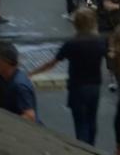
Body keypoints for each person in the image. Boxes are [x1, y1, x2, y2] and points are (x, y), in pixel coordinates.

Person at [30, 8, 105, 145]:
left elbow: (51, 64)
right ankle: (93, 149)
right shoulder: (100, 41)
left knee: (81, 123)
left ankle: (84, 153)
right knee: (92, 121)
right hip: (95, 86)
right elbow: (111, 56)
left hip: (78, 87)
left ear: (76, 24)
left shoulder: (72, 44)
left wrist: (31, 73)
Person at [0, 44, 39, 123]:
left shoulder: (20, 86)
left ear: (8, 61)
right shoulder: (1, 77)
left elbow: (30, 116)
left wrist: (4, 122)